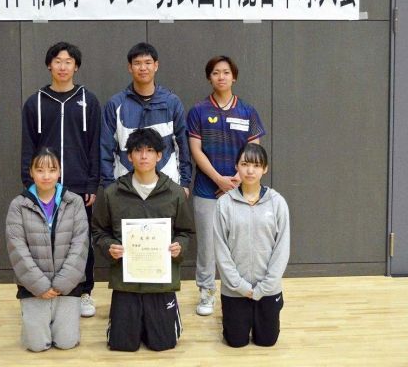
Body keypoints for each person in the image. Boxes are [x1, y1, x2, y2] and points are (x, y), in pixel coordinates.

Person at [92, 128, 194, 352]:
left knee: (163, 344)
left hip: (161, 281)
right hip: (126, 281)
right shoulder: (112, 193)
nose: (144, 156)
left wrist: (180, 247)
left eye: (150, 150)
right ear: (129, 156)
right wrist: (109, 247)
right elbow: (98, 231)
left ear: (159, 155)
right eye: (138, 151)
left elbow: (186, 232)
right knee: (122, 345)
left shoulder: (175, 193)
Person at [21, 41, 101, 318]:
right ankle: (47, 291)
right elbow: (28, 146)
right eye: (58, 61)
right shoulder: (35, 102)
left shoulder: (88, 100)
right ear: (49, 65)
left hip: (79, 187)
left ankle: (84, 292)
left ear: (76, 66)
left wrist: (92, 183)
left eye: (68, 62)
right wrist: (29, 184)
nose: (63, 66)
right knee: (46, 242)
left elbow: (95, 145)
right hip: (44, 186)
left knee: (80, 242)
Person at [186, 55, 266, 316]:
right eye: (216, 73)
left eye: (226, 72)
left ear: (234, 77)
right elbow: (195, 150)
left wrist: (236, 180)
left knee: (240, 243)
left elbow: (253, 152)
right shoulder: (198, 111)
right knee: (208, 245)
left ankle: (238, 290)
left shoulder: (247, 111)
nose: (221, 77)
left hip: (241, 190)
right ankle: (207, 290)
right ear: (209, 78)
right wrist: (219, 179)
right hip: (206, 190)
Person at [6, 147, 89, 352]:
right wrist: (40, 285)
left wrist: (62, 283)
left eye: (52, 170)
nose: (46, 176)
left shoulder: (75, 202)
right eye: (40, 170)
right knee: (36, 345)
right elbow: (17, 249)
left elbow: (80, 245)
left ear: (59, 172)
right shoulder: (18, 205)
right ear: (31, 172)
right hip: (34, 286)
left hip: (67, 285)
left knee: (66, 343)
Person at [213, 143, 290, 347]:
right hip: (235, 290)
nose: (250, 170)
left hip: (268, 289)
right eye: (245, 164)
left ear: (265, 169)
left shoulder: (277, 202)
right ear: (236, 166)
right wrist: (240, 286)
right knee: (235, 342)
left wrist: (265, 286)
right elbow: (221, 251)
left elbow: (282, 249)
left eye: (256, 165)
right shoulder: (224, 204)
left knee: (267, 341)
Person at [100, 42, 191, 196]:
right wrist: (109, 186)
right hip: (125, 188)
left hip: (166, 187)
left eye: (148, 63)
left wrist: (184, 183)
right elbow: (106, 149)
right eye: (137, 63)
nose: (143, 68)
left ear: (156, 65)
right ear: (130, 67)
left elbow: (182, 145)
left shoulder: (171, 102)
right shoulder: (115, 104)